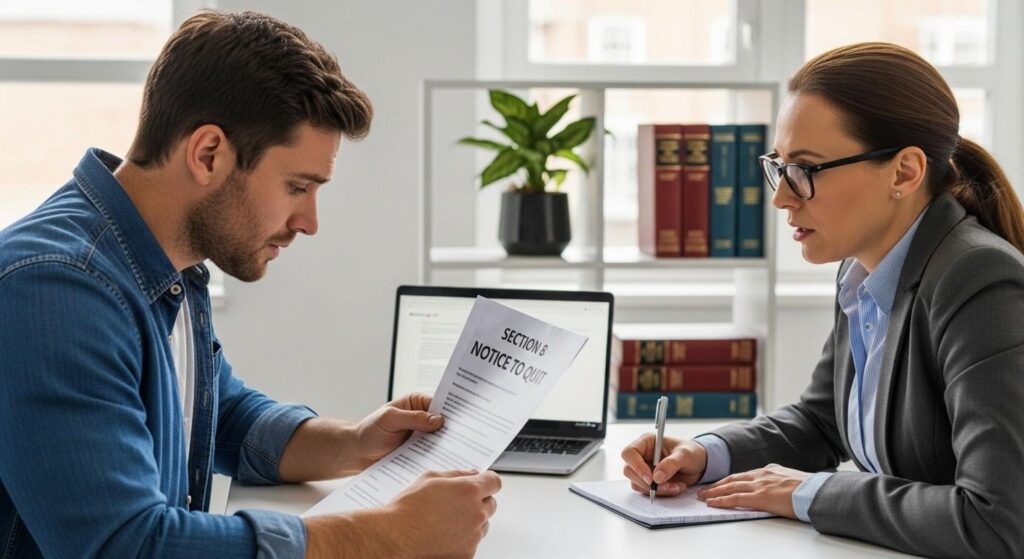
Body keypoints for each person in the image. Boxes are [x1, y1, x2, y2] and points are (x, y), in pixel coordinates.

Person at [0, 10, 499, 559]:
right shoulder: (56, 290)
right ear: (208, 154)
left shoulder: (166, 261)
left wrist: (353, 443)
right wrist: (383, 537)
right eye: (297, 186)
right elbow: (124, 545)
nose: (310, 221)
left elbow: (221, 415)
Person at [622, 42, 1024, 558]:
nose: (781, 197)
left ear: (904, 172)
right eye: (780, 166)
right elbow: (823, 423)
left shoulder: (978, 278)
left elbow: (997, 521)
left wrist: (809, 492)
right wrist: (706, 453)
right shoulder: (862, 269)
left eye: (806, 169)